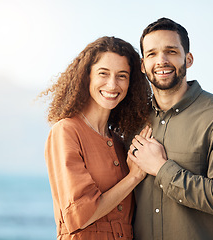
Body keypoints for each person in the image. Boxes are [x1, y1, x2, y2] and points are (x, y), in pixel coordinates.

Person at [128, 17, 213, 240]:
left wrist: (162, 168)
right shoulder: (134, 122)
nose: (162, 60)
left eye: (171, 51)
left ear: (188, 59)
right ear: (142, 65)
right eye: (152, 54)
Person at [41, 36, 152, 239]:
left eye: (122, 76)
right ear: (87, 77)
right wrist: (134, 177)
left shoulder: (120, 142)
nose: (112, 84)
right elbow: (80, 216)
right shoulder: (66, 131)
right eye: (103, 73)